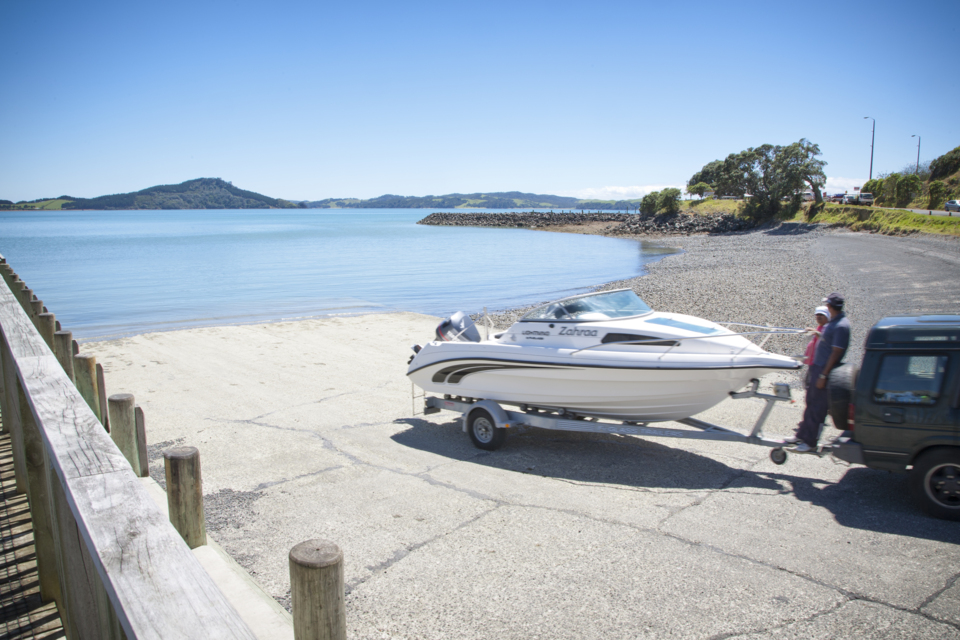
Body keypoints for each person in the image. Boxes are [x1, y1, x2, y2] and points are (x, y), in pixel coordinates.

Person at [785, 293, 850, 452]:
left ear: (829, 307)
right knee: (810, 403)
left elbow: (836, 352)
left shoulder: (841, 325)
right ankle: (802, 435)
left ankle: (810, 442)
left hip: (823, 370)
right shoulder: (834, 323)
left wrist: (824, 375)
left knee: (818, 407)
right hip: (817, 366)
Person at [802, 306, 830, 387]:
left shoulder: (827, 328)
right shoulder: (820, 327)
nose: (818, 317)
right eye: (817, 315)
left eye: (821, 315)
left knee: (811, 384)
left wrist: (815, 332)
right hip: (813, 362)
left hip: (819, 363)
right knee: (808, 383)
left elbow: (824, 340)